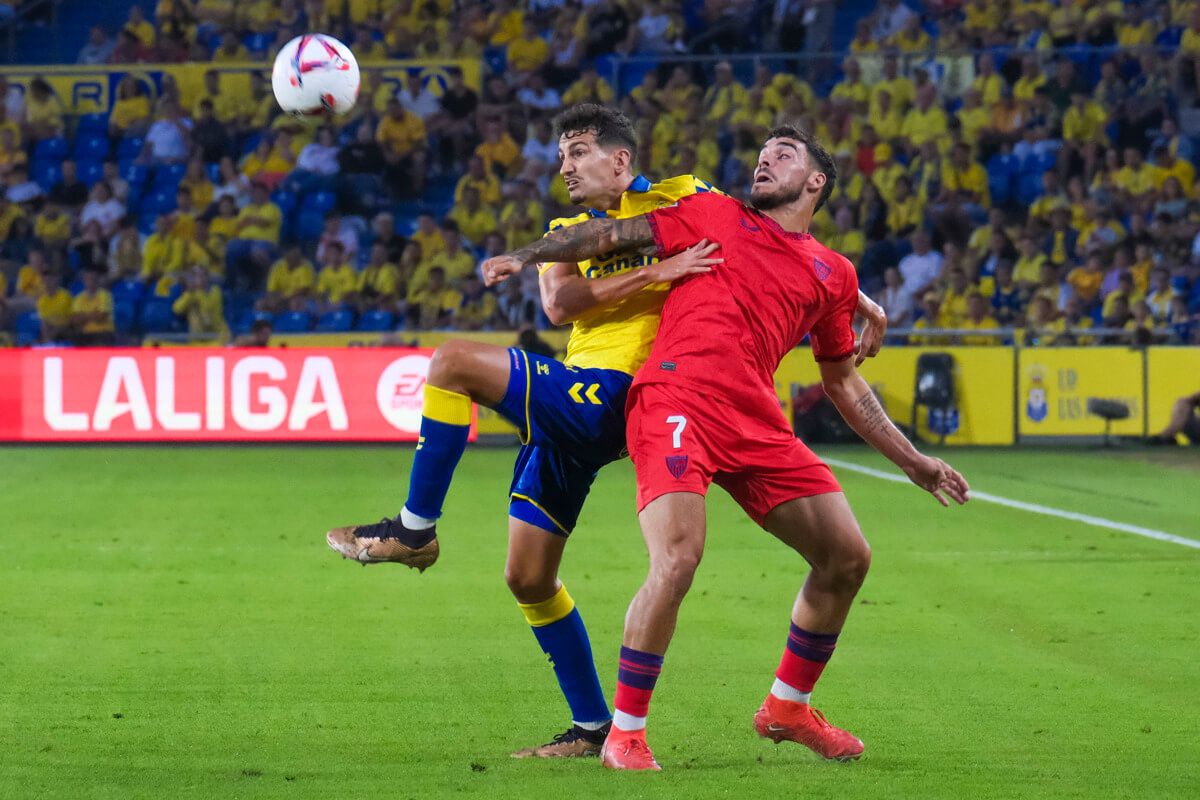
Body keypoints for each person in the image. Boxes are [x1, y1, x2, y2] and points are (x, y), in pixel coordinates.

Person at [326, 106, 888, 758]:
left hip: (620, 395)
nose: (564, 167)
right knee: (527, 577)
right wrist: (654, 272)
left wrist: (860, 299)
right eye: (562, 156)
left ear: (620, 162)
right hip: (573, 395)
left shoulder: (689, 197)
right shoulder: (566, 230)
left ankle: (413, 531)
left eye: (578, 153)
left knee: (451, 362)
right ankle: (592, 727)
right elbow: (559, 304)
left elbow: (777, 241)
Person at [480, 125, 967, 771]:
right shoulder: (712, 213)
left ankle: (788, 709)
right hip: (674, 399)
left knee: (847, 558)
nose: (765, 161)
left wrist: (914, 461)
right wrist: (528, 253)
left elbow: (843, 380)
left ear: (816, 181)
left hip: (753, 417)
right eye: (762, 153)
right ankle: (625, 734)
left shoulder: (833, 272)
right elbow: (605, 236)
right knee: (679, 558)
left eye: (783, 155)